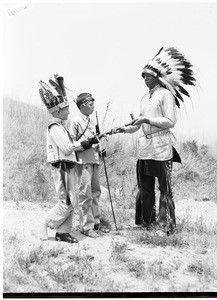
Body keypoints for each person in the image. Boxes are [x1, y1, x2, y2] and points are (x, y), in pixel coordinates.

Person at [115, 47, 196, 234]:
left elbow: (170, 121)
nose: (145, 79)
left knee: (165, 189)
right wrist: (124, 129)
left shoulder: (166, 95)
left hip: (162, 147)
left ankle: (165, 225)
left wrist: (146, 120)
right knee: (145, 187)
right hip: (145, 148)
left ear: (157, 78)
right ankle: (147, 222)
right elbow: (137, 125)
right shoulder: (144, 98)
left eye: (149, 76)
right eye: (143, 76)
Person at [38, 75, 98, 243]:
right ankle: (45, 222)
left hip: (68, 166)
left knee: (73, 200)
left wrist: (83, 143)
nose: (69, 111)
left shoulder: (61, 127)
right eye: (65, 109)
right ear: (57, 111)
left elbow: (69, 146)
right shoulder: (54, 127)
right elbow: (66, 148)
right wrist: (83, 143)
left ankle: (63, 232)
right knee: (67, 201)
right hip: (61, 166)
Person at [69, 93, 109, 238]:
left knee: (96, 192)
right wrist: (86, 144)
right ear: (83, 105)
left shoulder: (92, 122)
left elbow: (96, 140)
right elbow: (71, 145)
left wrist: (100, 147)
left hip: (94, 160)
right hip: (83, 162)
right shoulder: (75, 122)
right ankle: (86, 226)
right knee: (85, 194)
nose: (93, 107)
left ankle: (96, 221)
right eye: (91, 104)